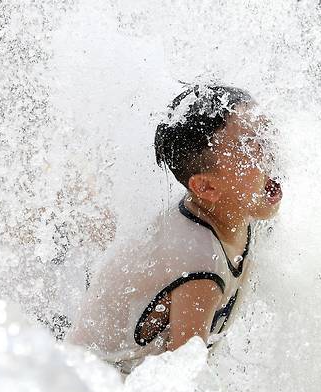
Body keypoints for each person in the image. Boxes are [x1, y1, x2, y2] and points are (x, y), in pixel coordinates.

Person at [64, 84, 283, 376]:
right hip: (91, 388)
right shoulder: (199, 262)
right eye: (249, 147)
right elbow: (182, 383)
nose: (269, 151)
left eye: (266, 132)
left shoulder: (237, 209)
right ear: (206, 187)